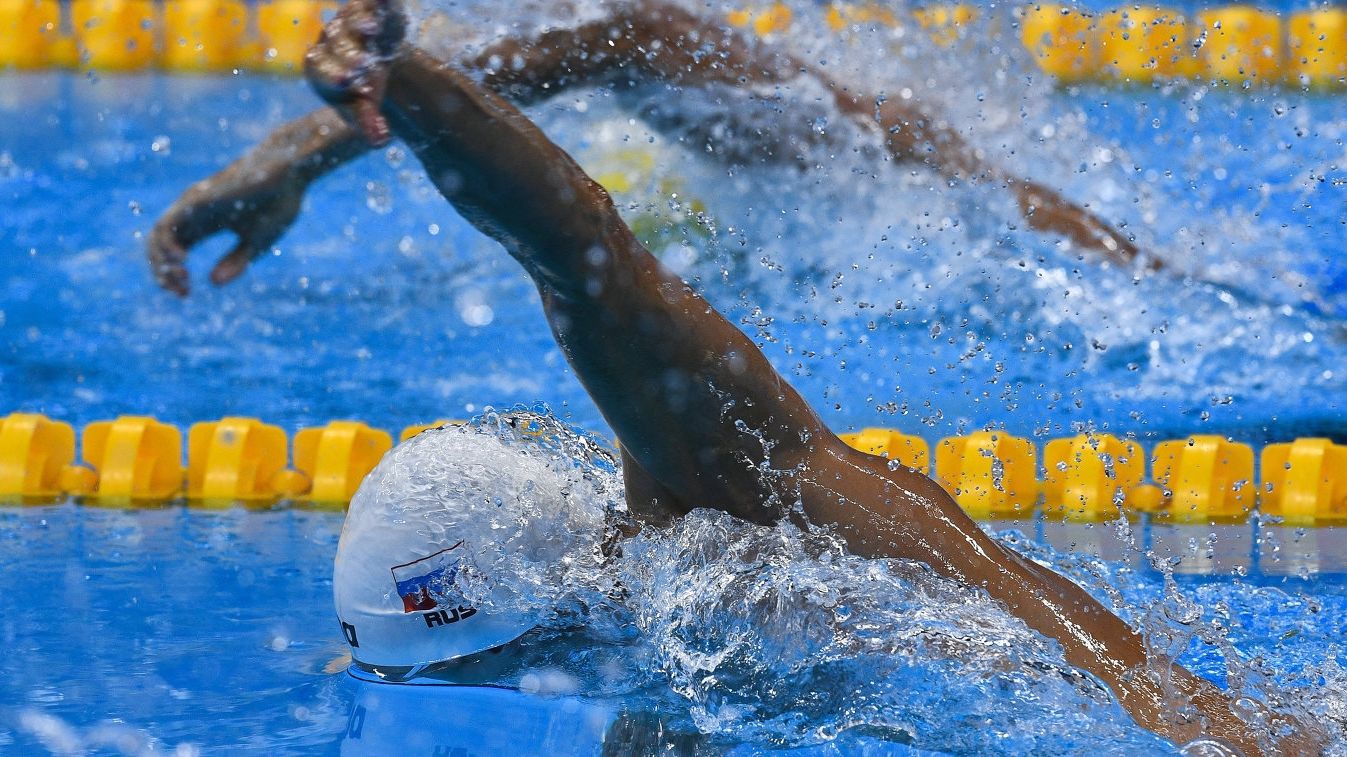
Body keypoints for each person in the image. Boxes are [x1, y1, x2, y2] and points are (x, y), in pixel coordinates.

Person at [174, 0, 1316, 752]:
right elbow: (578, 256)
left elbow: (588, 233)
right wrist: (401, 92)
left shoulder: (708, 526)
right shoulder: (698, 547)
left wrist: (398, 92)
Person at [146, 0, 1147, 296]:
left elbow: (615, 39)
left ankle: (1157, 276)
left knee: (905, 146)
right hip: (730, 150)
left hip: (845, 167)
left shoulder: (648, 39)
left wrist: (299, 156)